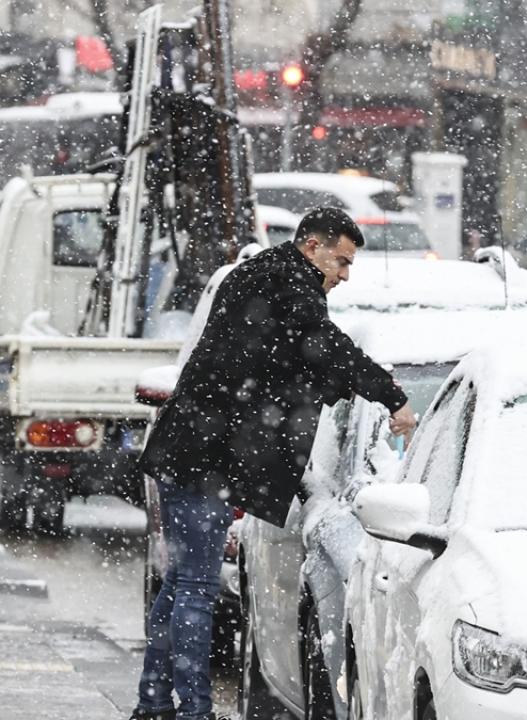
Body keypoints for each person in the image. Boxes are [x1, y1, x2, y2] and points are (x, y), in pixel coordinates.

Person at [129, 207, 417, 720]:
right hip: (208, 459)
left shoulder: (258, 274)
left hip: (188, 449)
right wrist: (391, 395)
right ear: (313, 247)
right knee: (193, 586)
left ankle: (153, 705)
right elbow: (325, 348)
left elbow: (285, 362)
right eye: (342, 262)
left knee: (180, 583)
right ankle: (191, 712)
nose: (344, 276)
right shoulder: (292, 284)